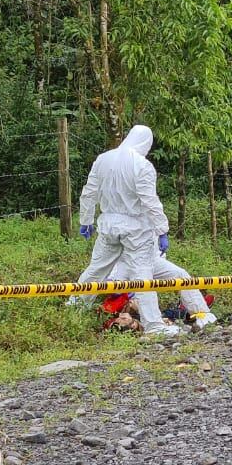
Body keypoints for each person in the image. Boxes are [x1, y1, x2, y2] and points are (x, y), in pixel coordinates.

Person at [73, 125, 178, 336]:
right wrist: (162, 229)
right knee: (143, 275)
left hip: (108, 225)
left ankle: (74, 308)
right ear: (146, 144)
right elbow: (150, 200)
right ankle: (154, 326)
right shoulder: (142, 165)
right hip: (136, 228)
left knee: (96, 269)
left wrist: (86, 219)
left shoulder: (103, 159)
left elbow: (89, 191)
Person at [110, 255, 217, 330]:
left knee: (179, 274)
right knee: (144, 285)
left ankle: (202, 315)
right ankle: (154, 326)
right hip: (125, 260)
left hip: (149, 257)